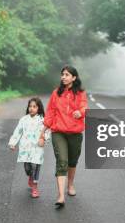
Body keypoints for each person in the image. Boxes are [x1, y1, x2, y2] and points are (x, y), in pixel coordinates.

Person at [40, 65, 88, 209]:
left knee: (72, 161)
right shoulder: (56, 93)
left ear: (74, 77)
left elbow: (85, 106)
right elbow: (50, 112)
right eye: (62, 74)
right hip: (58, 131)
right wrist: (43, 130)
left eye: (67, 75)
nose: (63, 77)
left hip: (75, 132)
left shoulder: (80, 93)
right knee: (62, 161)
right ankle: (60, 195)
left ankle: (70, 184)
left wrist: (80, 112)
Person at [8, 97, 51, 198]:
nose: (31, 108)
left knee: (36, 166)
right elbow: (18, 131)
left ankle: (35, 187)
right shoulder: (24, 119)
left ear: (39, 108)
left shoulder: (42, 120)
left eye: (34, 106)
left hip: (37, 148)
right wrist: (13, 143)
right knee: (28, 168)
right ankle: (30, 176)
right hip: (25, 149)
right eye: (30, 106)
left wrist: (44, 139)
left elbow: (47, 131)